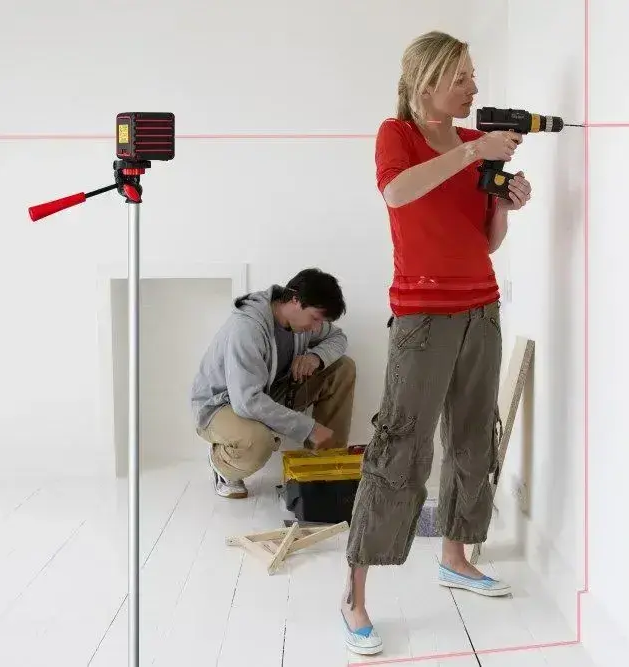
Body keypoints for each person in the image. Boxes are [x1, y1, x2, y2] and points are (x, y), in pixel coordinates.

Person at [338, 31, 533, 655]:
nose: (474, 88)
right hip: (423, 315)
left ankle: (455, 557)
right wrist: (474, 152)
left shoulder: (475, 146)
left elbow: (486, 241)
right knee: (401, 445)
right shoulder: (397, 135)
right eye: (462, 78)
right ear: (427, 84)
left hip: (482, 308)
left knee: (474, 437)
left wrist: (505, 204)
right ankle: (355, 596)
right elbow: (397, 192)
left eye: (473, 76)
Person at [190, 268, 356, 499]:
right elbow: (247, 402)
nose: (317, 327)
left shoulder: (301, 321)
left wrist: (315, 357)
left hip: (268, 393)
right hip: (222, 405)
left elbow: (338, 337)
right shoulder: (247, 328)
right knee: (258, 442)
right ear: (295, 300)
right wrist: (308, 428)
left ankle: (325, 468)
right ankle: (223, 463)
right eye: (316, 318)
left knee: (342, 367)